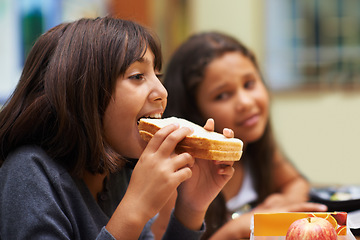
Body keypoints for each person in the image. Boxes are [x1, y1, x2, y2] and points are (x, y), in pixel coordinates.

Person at [0, 18, 236, 240]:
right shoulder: (29, 172)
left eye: (157, 74)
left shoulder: (119, 174)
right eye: (137, 76)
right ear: (85, 94)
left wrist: (191, 208)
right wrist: (135, 209)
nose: (162, 92)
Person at [162, 32, 327, 239]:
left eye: (249, 84)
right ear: (193, 112)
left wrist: (282, 203)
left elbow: (295, 182)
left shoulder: (254, 147)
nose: (246, 102)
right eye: (222, 95)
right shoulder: (178, 173)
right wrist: (236, 229)